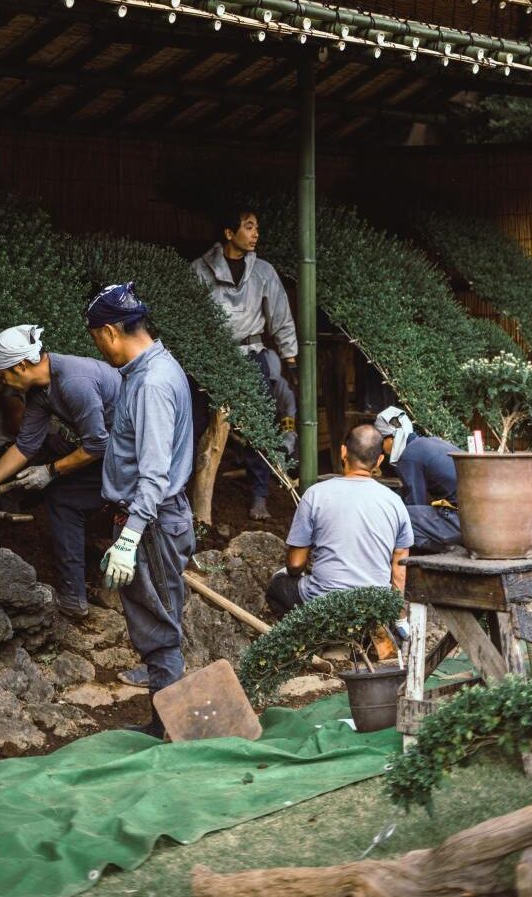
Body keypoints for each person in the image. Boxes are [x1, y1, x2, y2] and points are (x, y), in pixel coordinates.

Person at [0, 326, 121, 620]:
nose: (2, 380)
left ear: (20, 365)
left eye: (2, 373)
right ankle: (74, 598)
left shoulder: (74, 382)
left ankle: (124, 589)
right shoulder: (41, 392)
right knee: (63, 499)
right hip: (112, 453)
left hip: (139, 458)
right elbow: (24, 447)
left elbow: (95, 445)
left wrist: (51, 470)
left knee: (118, 510)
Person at [86, 282, 194, 738]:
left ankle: (170, 731)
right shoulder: (152, 371)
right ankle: (163, 721)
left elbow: (153, 473)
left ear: (110, 332)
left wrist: (129, 538)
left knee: (160, 629)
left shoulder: (151, 383)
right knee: (158, 622)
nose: (99, 348)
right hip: (153, 518)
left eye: (96, 339)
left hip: (151, 522)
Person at [191, 207, 298, 519]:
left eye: (256, 228)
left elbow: (280, 315)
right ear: (229, 233)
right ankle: (188, 491)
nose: (255, 234)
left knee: (257, 423)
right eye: (249, 227)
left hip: (251, 356)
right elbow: (191, 317)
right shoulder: (200, 269)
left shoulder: (263, 271)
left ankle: (260, 494)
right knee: (199, 422)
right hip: (212, 358)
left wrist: (290, 357)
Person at [265, 424, 413, 620]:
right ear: (379, 461)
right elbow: (399, 565)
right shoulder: (395, 502)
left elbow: (295, 564)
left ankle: (305, 637)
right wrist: (396, 615)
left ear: (343, 451)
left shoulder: (315, 494)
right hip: (374, 605)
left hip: (324, 601)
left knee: (277, 586)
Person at [374, 406, 463, 554]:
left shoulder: (409, 457)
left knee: (397, 516)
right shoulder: (430, 443)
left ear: (391, 438)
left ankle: (443, 548)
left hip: (459, 521)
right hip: (472, 517)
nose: (382, 449)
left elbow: (415, 503)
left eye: (381, 442)